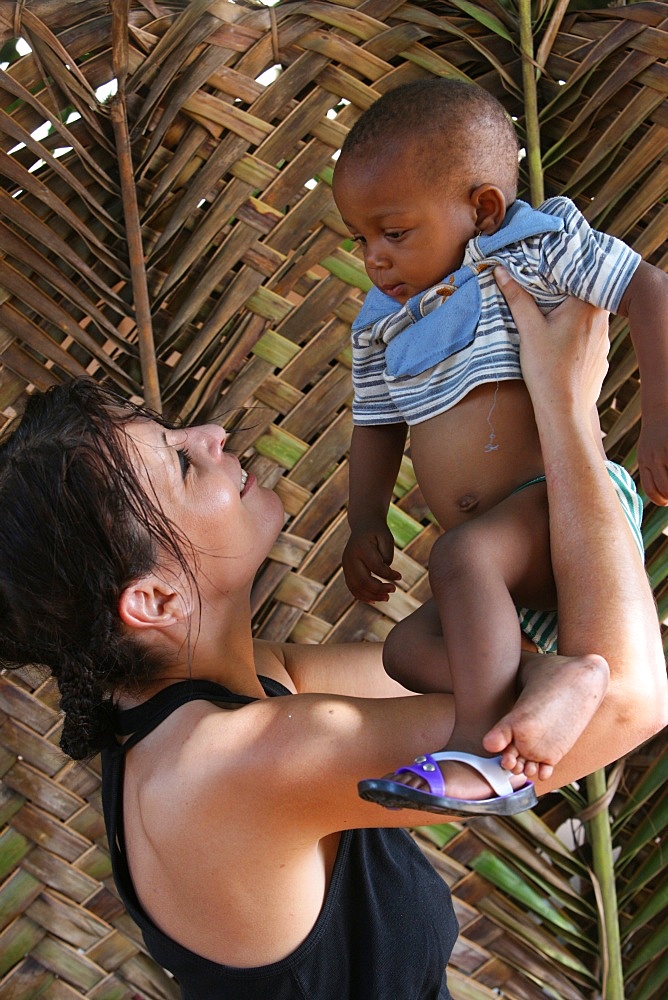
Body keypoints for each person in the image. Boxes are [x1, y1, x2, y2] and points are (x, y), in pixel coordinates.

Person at [0, 282, 665, 1000]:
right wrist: (567, 412)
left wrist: (545, 679)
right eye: (183, 463)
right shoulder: (237, 763)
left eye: (175, 429)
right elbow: (629, 701)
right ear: (155, 599)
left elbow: (505, 676)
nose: (211, 435)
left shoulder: (235, 693)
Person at [331, 79, 668, 815]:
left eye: (394, 232)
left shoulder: (531, 249)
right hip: (508, 575)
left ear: (480, 208)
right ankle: (555, 677)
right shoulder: (379, 323)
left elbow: (649, 287)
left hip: (561, 506)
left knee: (460, 556)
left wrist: (663, 418)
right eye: (360, 239)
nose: (374, 261)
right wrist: (364, 521)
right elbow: (376, 423)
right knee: (406, 650)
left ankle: (481, 750)